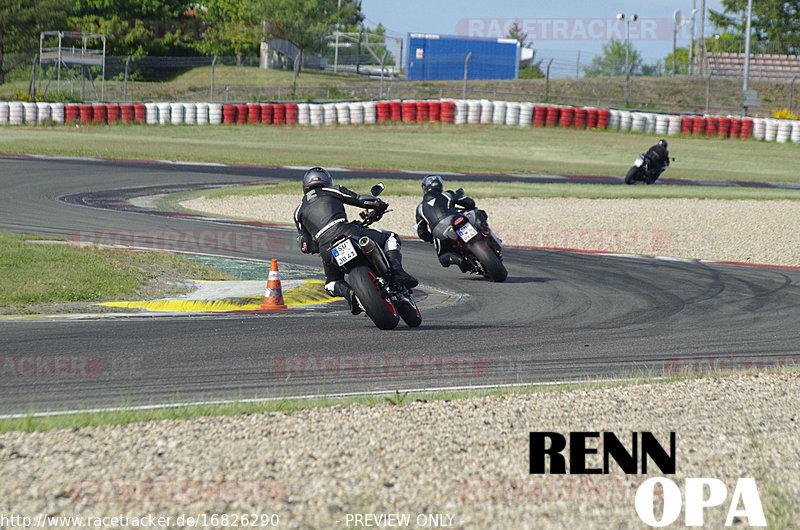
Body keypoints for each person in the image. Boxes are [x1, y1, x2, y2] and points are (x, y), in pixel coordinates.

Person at [294, 167, 418, 314]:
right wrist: (378, 204)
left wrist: (314, 247)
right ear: (326, 180)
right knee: (390, 237)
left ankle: (350, 294)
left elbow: (306, 245)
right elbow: (360, 200)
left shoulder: (298, 212)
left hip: (326, 248)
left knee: (331, 284)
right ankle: (398, 272)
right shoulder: (332, 190)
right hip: (346, 231)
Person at [415, 175, 483, 270]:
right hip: (455, 220)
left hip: (440, 233)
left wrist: (431, 238)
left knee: (443, 258)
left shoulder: (420, 208)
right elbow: (469, 202)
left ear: (425, 188)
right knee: (479, 213)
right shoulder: (447, 195)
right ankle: (485, 233)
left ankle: (459, 260)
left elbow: (422, 233)